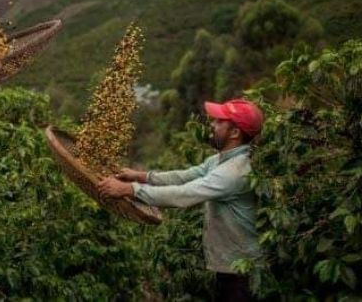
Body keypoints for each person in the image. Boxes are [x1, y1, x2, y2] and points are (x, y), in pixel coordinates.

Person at [97, 99, 264, 302]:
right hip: (229, 265)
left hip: (241, 272)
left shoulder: (235, 171)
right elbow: (184, 176)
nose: (212, 124)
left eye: (220, 122)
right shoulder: (220, 160)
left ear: (235, 133)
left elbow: (184, 194)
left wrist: (131, 190)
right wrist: (142, 176)